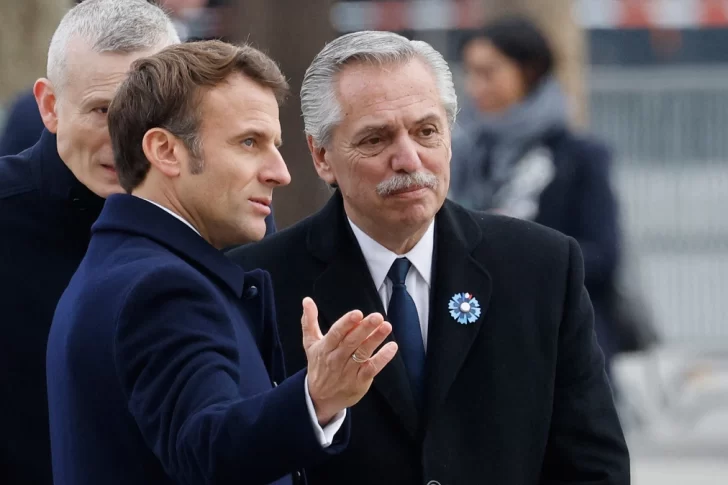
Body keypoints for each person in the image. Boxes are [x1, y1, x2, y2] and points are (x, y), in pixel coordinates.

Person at [228, 30, 630, 485]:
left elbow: (595, 466)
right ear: (322, 156)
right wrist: (311, 405)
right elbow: (236, 460)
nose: (408, 159)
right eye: (376, 139)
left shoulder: (542, 266)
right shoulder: (258, 282)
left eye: (426, 131)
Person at [46, 39, 397, 485]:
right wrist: (316, 396)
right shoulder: (161, 287)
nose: (280, 172)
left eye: (274, 144)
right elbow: (204, 448)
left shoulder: (125, 267)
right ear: (165, 150)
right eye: (249, 142)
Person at [0, 2, 181, 484]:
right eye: (103, 111)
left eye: (149, 112)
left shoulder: (225, 223)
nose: (125, 139)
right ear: (49, 106)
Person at [449, 17, 621, 372]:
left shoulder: (577, 156)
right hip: (473, 339)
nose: (475, 85)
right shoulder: (458, 152)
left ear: (529, 71)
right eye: (470, 72)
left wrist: (513, 250)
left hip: (558, 341)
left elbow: (605, 257)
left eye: (488, 72)